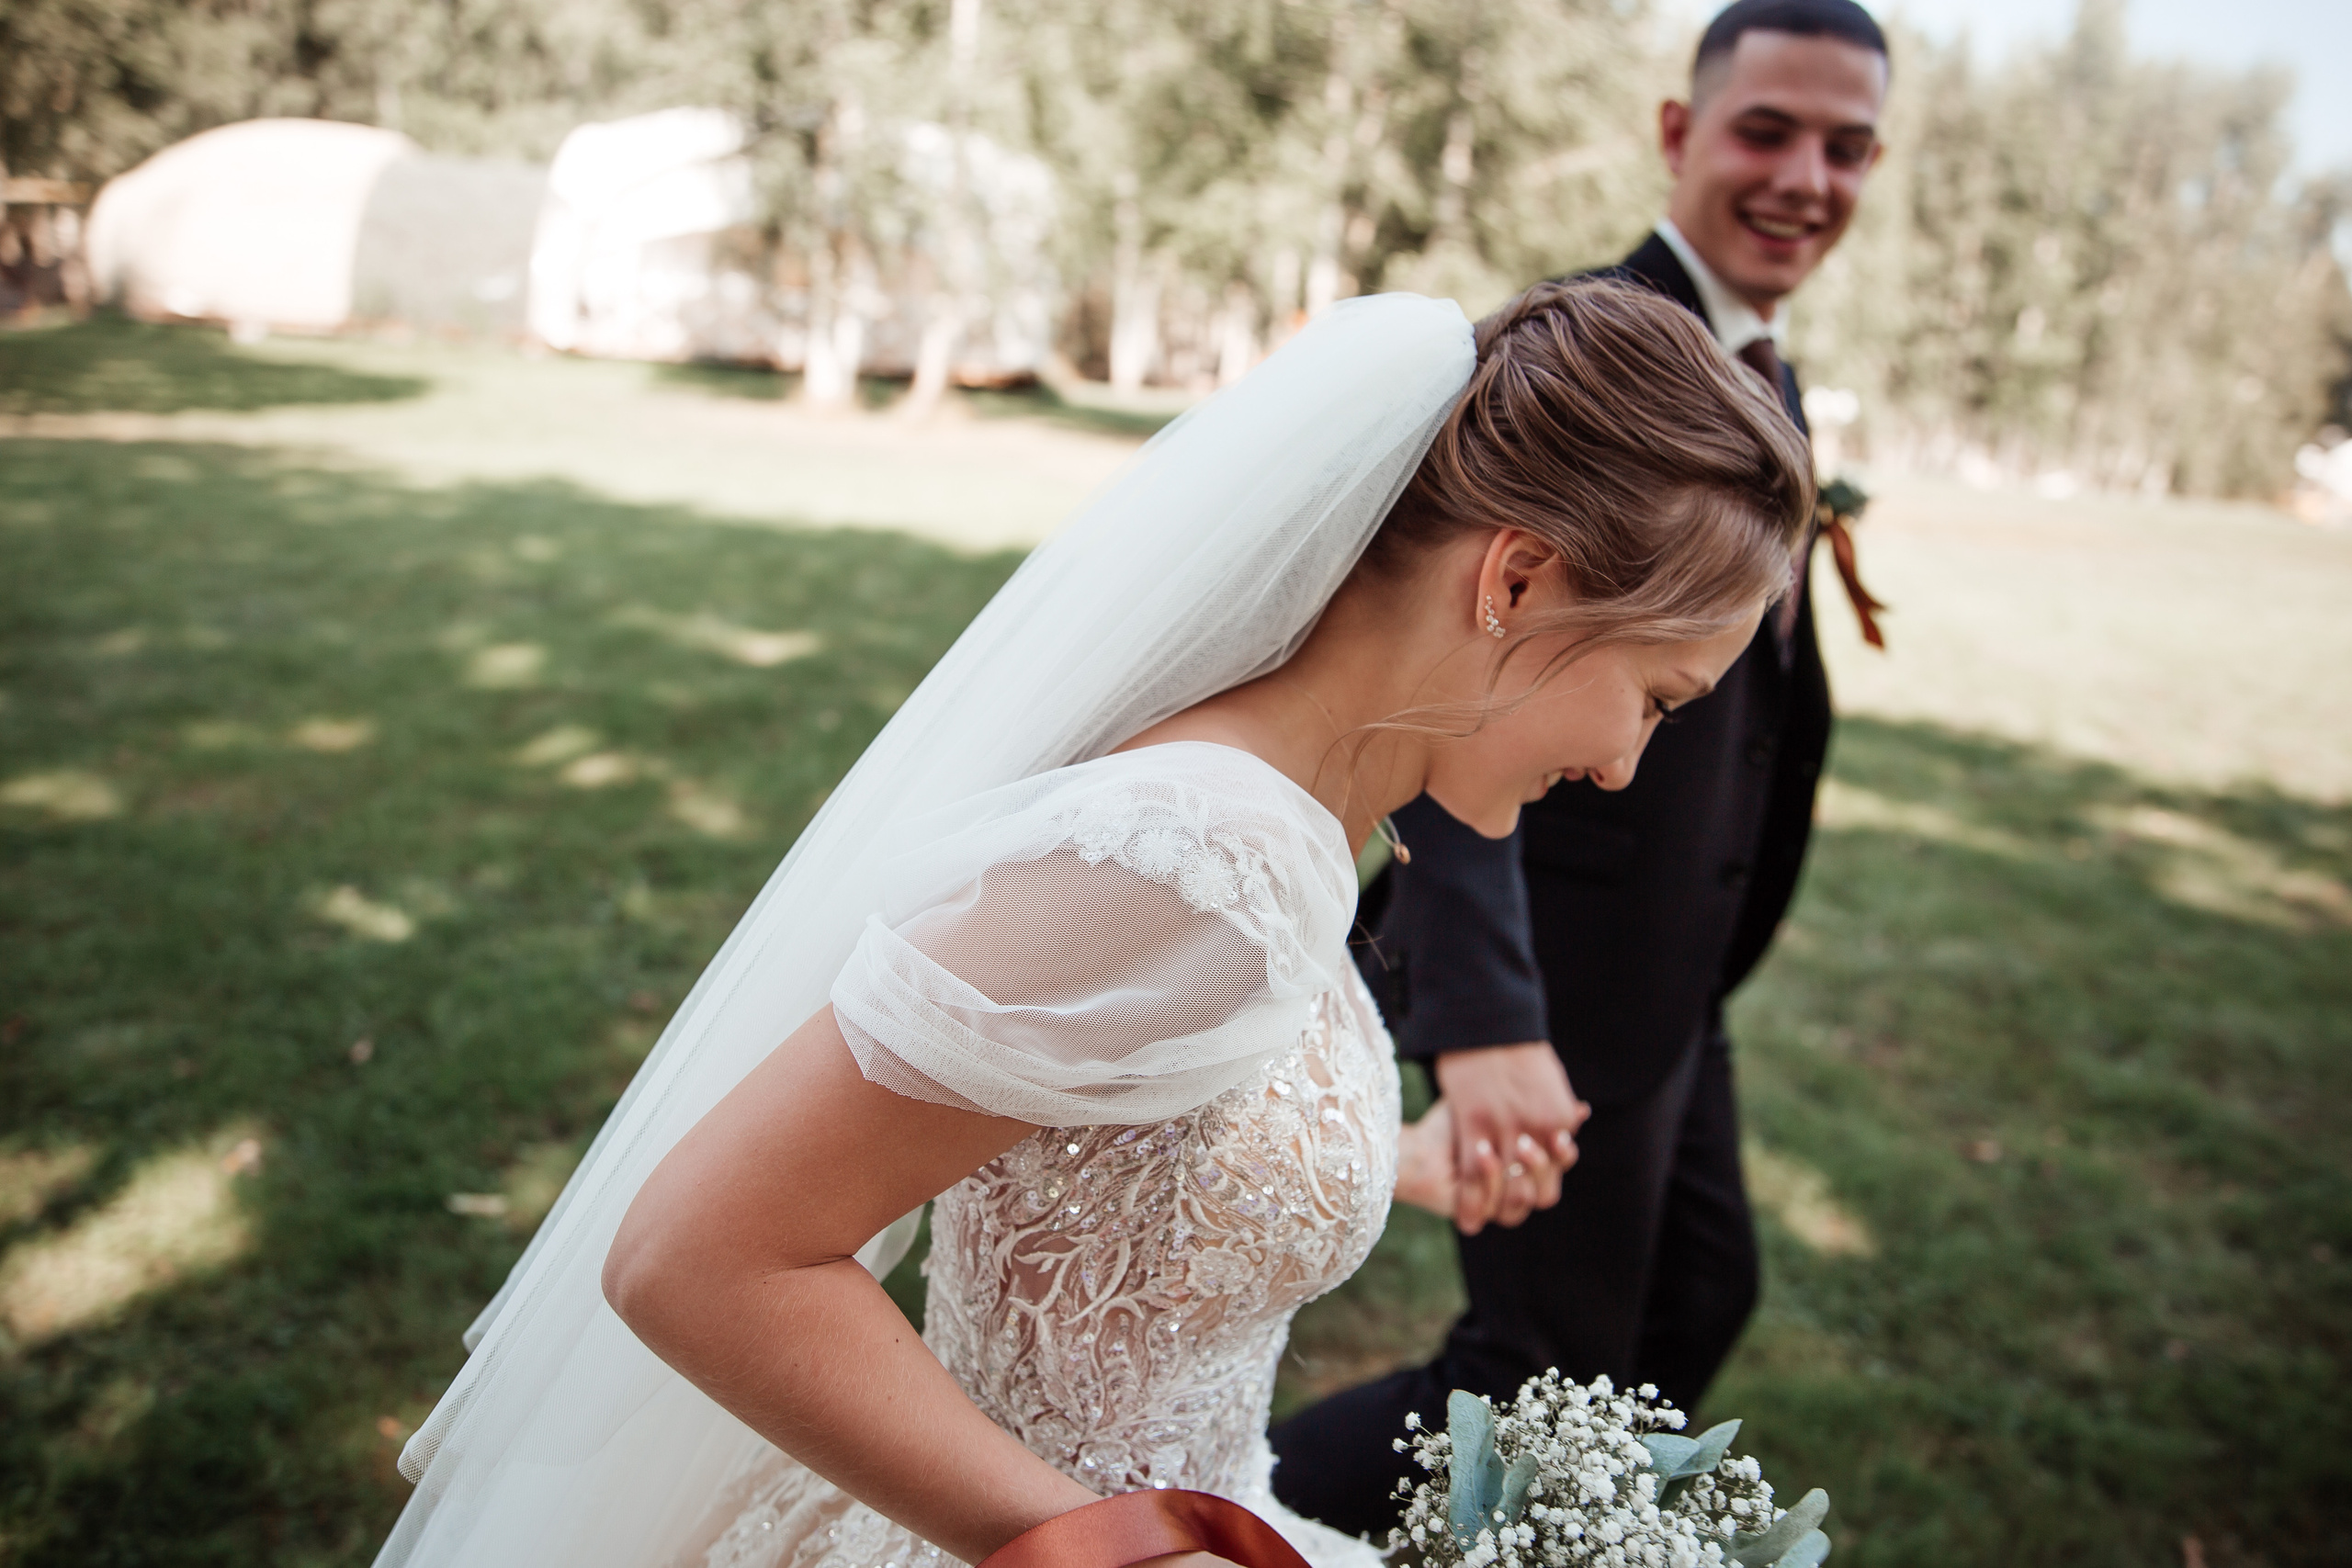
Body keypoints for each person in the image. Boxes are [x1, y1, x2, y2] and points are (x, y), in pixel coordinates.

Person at [371, 280, 1812, 1568]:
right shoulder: (1191, 861)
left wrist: (1393, 1161)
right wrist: (1122, 1552)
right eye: (1656, 697)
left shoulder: (1294, 825)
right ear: (1512, 578)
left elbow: (1127, 1123)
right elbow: (694, 1256)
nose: (1627, 766)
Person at [1269, 0, 1891, 1539]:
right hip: (1549, 972)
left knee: (1695, 1291)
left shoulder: (1767, 373)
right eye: (1769, 129)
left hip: (1677, 972)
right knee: (1535, 1364)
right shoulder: (1604, 355)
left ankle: (1557, 1532)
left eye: (1849, 145)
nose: (1807, 174)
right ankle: (1208, 1510)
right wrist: (1480, 1017)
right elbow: (1447, 660)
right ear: (1680, 135)